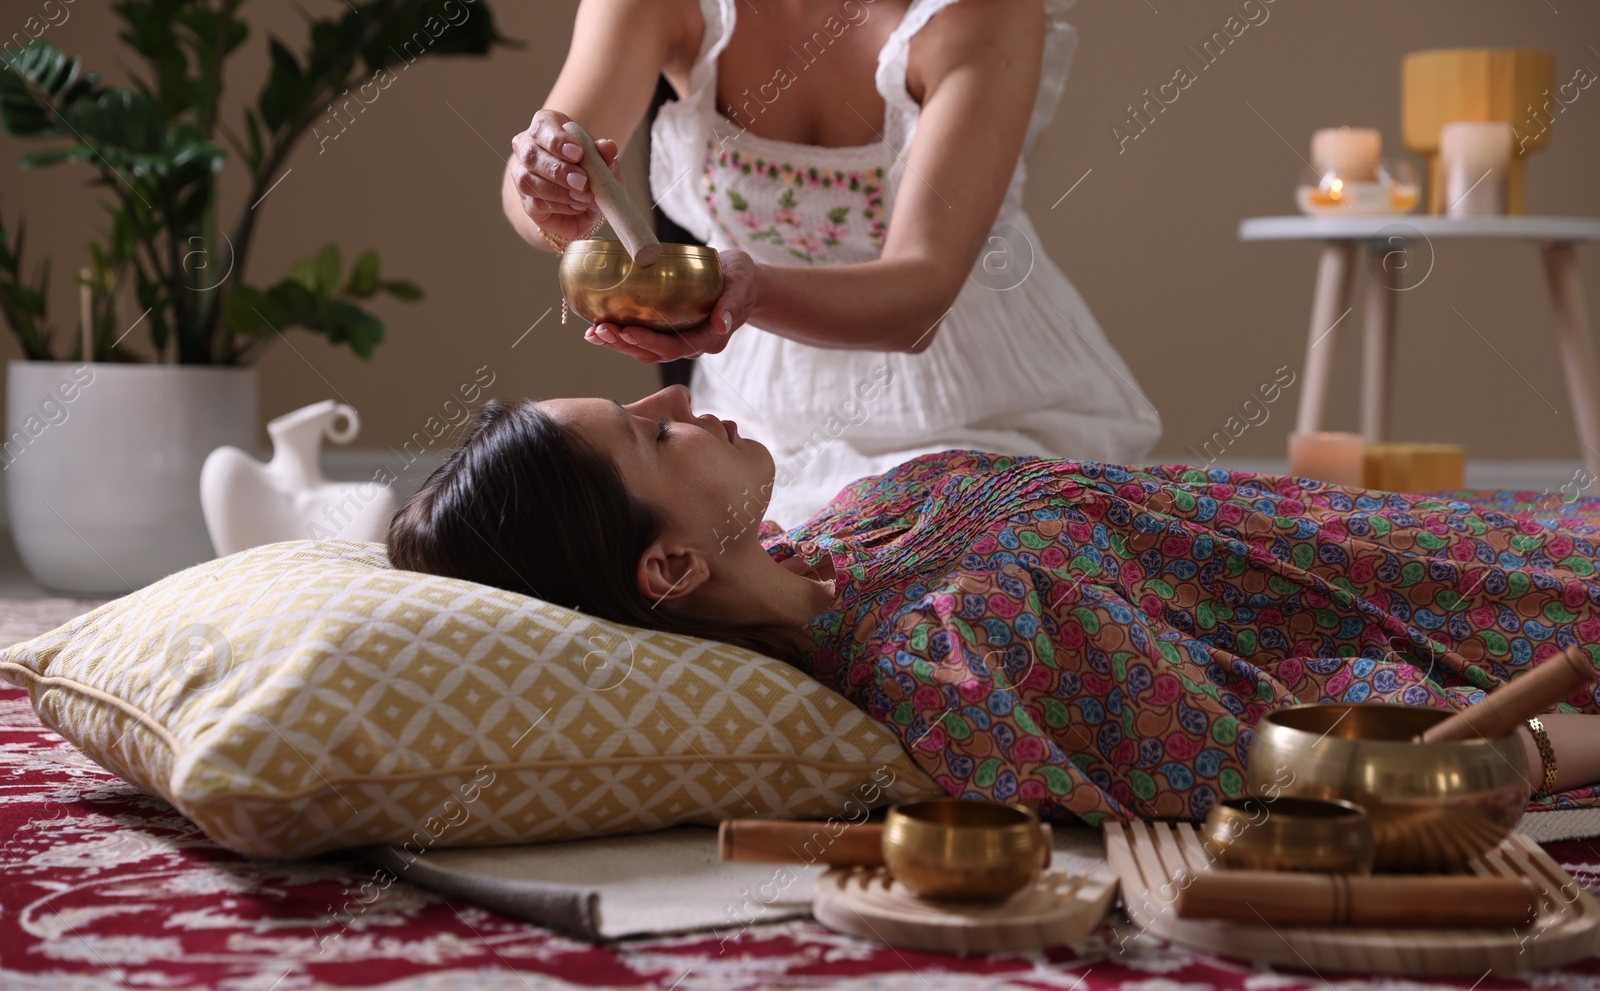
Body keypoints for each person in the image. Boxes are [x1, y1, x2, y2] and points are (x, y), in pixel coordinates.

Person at [388, 385, 1600, 826]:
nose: (683, 403)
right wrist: (1554, 741)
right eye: (655, 435)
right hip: (1493, 617)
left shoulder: (848, 527)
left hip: (1452, 531)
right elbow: (1283, 748)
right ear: (666, 570)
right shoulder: (947, 658)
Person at [500, 0, 1161, 527]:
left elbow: (918, 300)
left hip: (972, 407)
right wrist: (547, 193)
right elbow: (546, 192)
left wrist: (745, 293)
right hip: (753, 414)